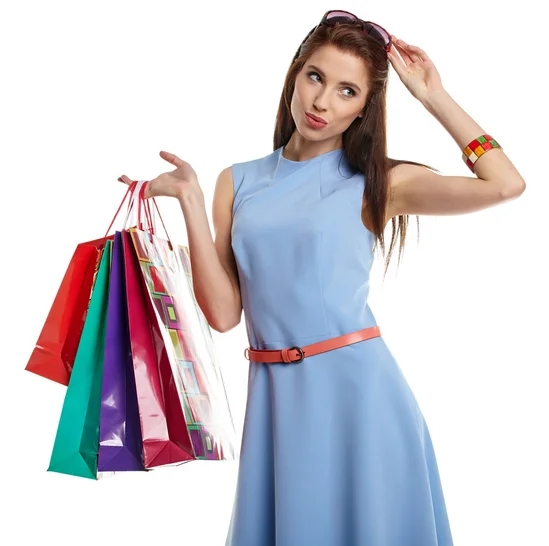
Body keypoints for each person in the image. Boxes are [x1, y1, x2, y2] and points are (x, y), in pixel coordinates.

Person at [118, 9, 526, 546]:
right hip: (276, 402)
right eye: (316, 77)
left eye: (347, 91)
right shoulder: (236, 182)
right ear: (295, 73)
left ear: (364, 108)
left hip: (361, 398)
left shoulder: (379, 183)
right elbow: (222, 315)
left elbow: (505, 185)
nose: (322, 102)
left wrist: (433, 98)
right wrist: (190, 200)